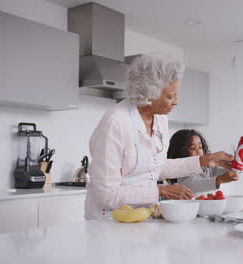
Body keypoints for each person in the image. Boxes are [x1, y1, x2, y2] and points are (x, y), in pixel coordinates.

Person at [85, 54, 234, 220]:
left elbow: (159, 166)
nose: (176, 102)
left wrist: (205, 160)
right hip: (109, 221)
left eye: (177, 94)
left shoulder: (160, 118)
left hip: (143, 215)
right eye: (170, 96)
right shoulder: (115, 122)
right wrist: (160, 191)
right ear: (148, 95)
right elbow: (106, 195)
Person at [166, 129, 239, 193]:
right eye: (192, 148)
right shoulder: (183, 174)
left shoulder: (207, 168)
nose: (198, 151)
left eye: (200, 147)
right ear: (180, 153)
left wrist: (237, 164)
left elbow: (226, 172)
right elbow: (196, 184)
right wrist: (219, 179)